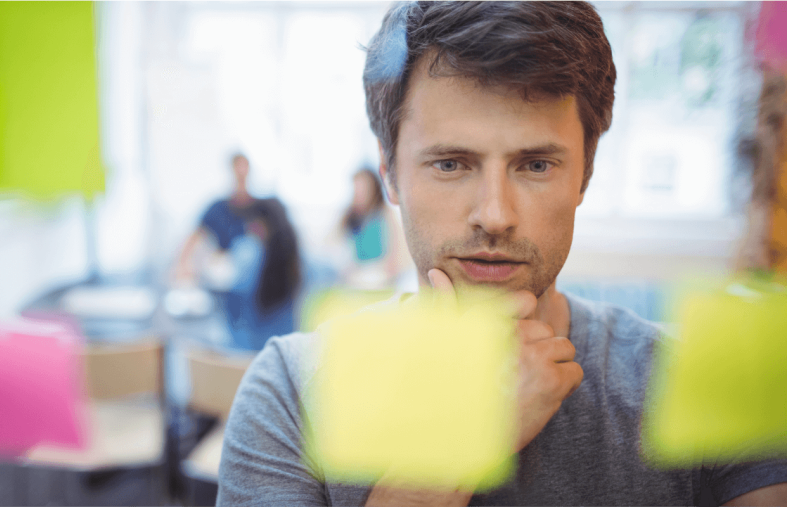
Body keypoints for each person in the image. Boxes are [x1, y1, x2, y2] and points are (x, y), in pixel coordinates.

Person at [216, 2, 787, 506]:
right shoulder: (291, 390)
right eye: (451, 164)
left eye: (535, 165)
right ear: (390, 173)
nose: (494, 214)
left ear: (586, 172)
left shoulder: (699, 381)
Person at [226, 198, 302, 350]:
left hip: (244, 351)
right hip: (283, 350)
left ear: (260, 225)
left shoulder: (247, 252)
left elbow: (230, 288)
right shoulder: (297, 259)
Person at [173, 152, 257, 283]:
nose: (241, 171)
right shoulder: (218, 208)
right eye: (238, 167)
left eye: (244, 167)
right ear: (232, 170)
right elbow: (194, 236)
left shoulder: (260, 209)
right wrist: (182, 264)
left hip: (252, 277)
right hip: (223, 271)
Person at [331, 167, 408, 290]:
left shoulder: (386, 214)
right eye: (356, 189)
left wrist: (390, 269)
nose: (359, 193)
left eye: (363, 189)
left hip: (381, 276)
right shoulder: (348, 216)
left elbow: (397, 254)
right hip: (354, 276)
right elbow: (334, 244)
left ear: (373, 189)